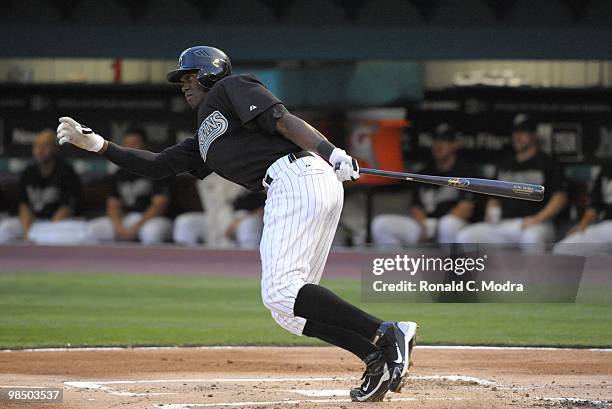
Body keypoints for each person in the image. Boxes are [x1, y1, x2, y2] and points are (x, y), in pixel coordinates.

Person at [56, 45, 417, 402]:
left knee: (281, 292)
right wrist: (100, 145)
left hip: (299, 175)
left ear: (212, 72)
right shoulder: (204, 137)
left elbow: (282, 120)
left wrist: (330, 151)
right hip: (301, 183)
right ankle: (376, 357)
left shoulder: (231, 87)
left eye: (191, 75)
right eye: (182, 78)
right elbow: (156, 165)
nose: (184, 84)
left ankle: (385, 331)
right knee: (288, 310)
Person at [456, 114, 567, 252]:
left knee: (531, 238)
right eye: (515, 132)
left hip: (537, 223)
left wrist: (537, 219)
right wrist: (491, 211)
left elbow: (560, 198)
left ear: (534, 135)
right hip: (505, 224)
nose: (517, 136)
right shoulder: (505, 164)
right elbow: (494, 196)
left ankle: (536, 274)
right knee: (466, 236)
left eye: (523, 132)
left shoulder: (548, 163)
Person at [372, 123, 478, 246]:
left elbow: (466, 208)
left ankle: (449, 265)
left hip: (455, 226)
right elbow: (416, 206)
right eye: (436, 140)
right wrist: (423, 226)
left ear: (455, 145)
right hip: (427, 225)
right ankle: (398, 264)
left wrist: (437, 227)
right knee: (382, 224)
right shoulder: (425, 172)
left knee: (448, 225)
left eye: (444, 141)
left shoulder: (466, 172)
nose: (438, 145)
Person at [84, 128, 172, 245]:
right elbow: (113, 205)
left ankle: (151, 263)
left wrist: (135, 228)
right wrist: (119, 227)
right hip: (127, 219)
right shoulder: (119, 173)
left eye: (135, 143)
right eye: (128, 144)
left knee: (151, 233)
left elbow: (159, 205)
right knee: (93, 230)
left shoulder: (158, 168)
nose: (131, 147)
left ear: (145, 145)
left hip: (153, 220)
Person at [0, 129, 84, 244]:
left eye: (45, 146)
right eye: (36, 146)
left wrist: (48, 231)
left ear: (55, 148)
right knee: (5, 229)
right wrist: (27, 235)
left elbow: (67, 207)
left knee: (78, 233)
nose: (40, 150)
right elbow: (24, 206)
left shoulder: (66, 172)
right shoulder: (29, 173)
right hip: (34, 222)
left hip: (59, 224)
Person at [553, 163, 612, 255]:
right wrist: (582, 225)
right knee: (562, 249)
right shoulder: (608, 167)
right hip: (609, 226)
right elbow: (595, 206)